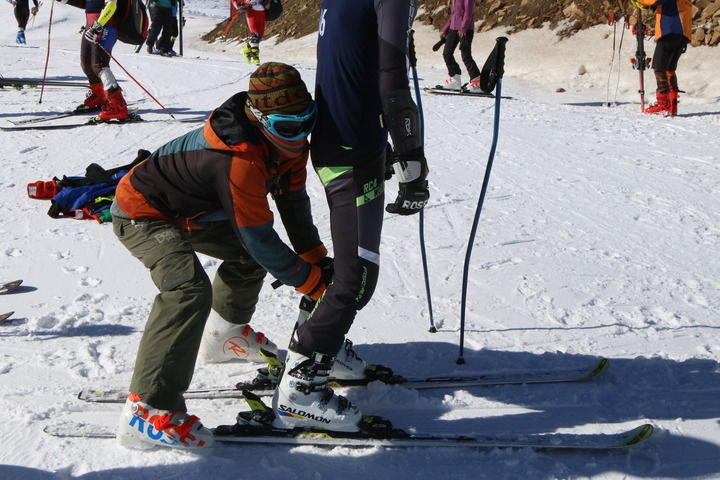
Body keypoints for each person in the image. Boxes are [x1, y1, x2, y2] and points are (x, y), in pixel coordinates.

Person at [111, 62, 327, 450]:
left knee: (247, 257)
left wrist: (315, 258)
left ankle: (226, 335)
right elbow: (259, 238)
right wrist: (310, 282)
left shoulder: (287, 143)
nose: (299, 136)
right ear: (260, 119)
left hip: (193, 211)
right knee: (187, 291)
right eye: (288, 127)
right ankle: (147, 411)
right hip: (141, 211)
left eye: (307, 121)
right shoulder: (238, 160)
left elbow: (293, 202)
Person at [269, 0, 430, 433]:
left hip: (352, 140)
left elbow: (359, 62)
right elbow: (390, 77)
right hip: (349, 149)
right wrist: (412, 161)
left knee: (354, 270)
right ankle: (300, 389)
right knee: (355, 276)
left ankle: (327, 345)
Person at [634, 0, 692, 116]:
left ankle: (663, 103)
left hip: (669, 30)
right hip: (682, 33)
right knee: (669, 69)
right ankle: (672, 103)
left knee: (659, 68)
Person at [76, 0, 129, 120]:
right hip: (91, 26)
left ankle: (118, 106)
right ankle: (99, 96)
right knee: (86, 65)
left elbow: (112, 5)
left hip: (105, 26)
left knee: (99, 65)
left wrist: (97, 26)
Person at [439, 0, 481, 91]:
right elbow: (453, 15)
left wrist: (463, 28)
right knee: (447, 53)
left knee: (466, 56)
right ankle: (455, 78)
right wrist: (445, 29)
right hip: (453, 29)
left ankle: (477, 81)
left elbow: (468, 13)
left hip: (466, 30)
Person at [233, 0, 267, 65]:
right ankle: (255, 58)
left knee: (260, 36)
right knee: (255, 35)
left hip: (262, 12)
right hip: (251, 12)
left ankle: (246, 49)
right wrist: (239, 7)